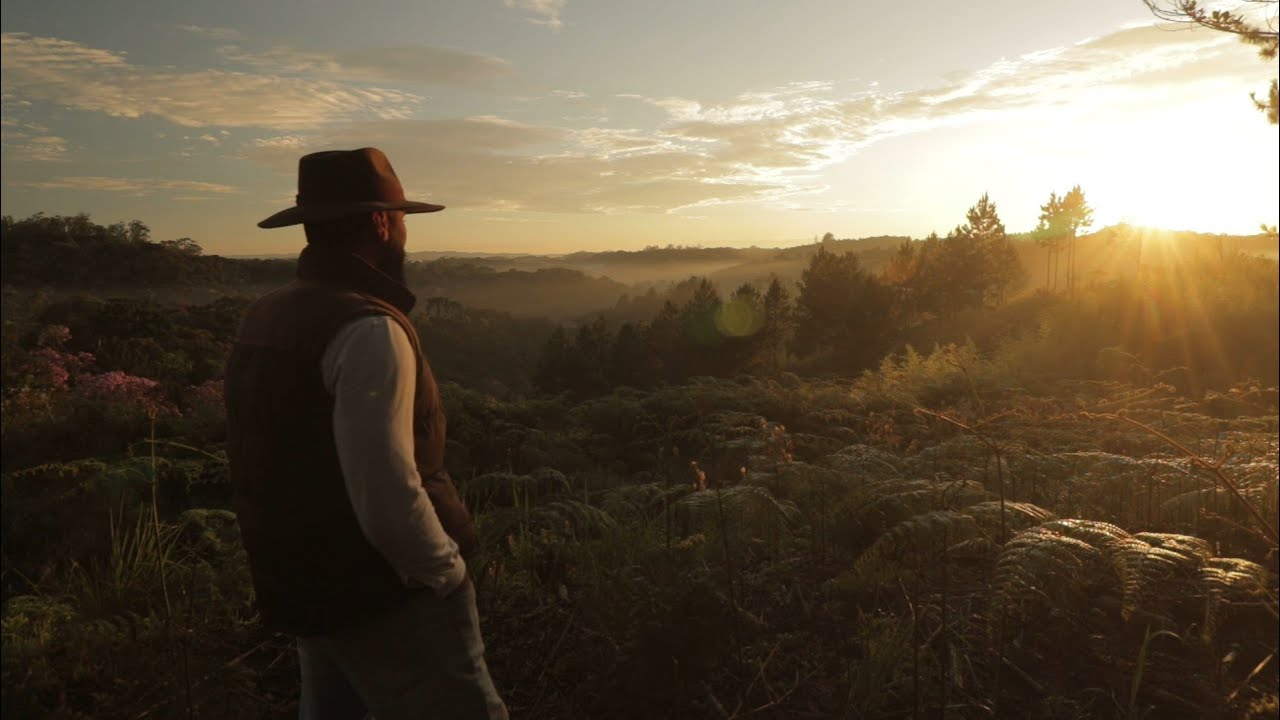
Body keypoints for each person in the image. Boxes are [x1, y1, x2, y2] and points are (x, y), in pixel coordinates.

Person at [225, 148, 507, 720]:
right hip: (389, 592)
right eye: (400, 218)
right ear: (381, 222)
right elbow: (386, 488)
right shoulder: (368, 328)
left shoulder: (268, 314)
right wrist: (442, 570)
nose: (403, 231)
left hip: (309, 584)